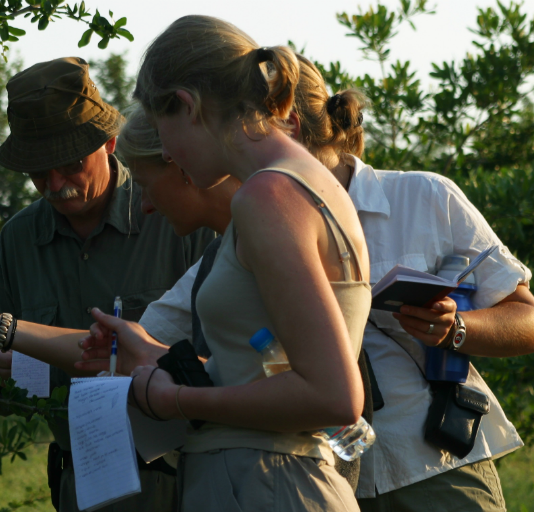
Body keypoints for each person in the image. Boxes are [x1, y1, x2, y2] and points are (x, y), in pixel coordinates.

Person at [82, 51, 534, 512]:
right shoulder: (249, 231)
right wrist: (10, 333)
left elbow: (527, 319)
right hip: (324, 477)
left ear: (287, 123)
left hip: (436, 467)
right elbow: (139, 337)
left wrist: (457, 328)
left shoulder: (424, 196)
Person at [113, 15, 371, 511]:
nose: (166, 152)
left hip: (266, 484)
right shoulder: (300, 183)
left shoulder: (269, 195)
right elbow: (277, 367)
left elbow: (335, 398)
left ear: (187, 106)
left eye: (162, 131)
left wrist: (175, 400)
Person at [0, 56, 215, 512]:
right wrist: (7, 370)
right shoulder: (18, 241)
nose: (55, 184)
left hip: (184, 481)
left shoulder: (177, 216)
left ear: (109, 143)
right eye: (38, 170)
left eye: (69, 164)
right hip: (80, 485)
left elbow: (226, 363)